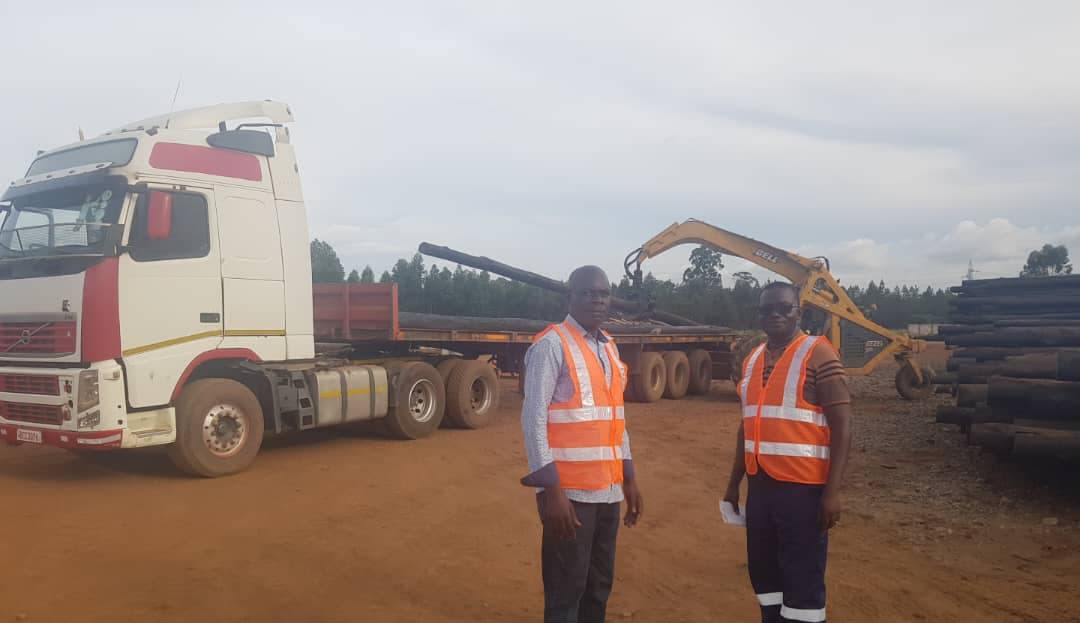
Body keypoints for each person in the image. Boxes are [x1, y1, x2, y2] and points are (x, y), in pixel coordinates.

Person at [520, 265, 645, 623]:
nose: (597, 300)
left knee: (598, 587)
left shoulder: (609, 348)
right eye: (588, 293)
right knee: (565, 592)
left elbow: (616, 419)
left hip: (608, 492)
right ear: (570, 297)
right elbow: (533, 420)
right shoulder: (551, 345)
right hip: (569, 497)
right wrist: (552, 492)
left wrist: (629, 477)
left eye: (604, 293)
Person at [723, 282, 853, 623]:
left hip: (803, 492)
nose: (775, 315)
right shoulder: (752, 360)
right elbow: (747, 426)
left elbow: (842, 427)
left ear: (800, 312)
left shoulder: (819, 354)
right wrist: (733, 484)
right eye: (767, 310)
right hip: (760, 489)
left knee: (802, 584)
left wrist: (832, 493)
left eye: (784, 308)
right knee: (765, 578)